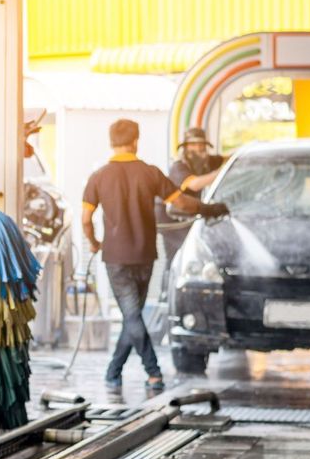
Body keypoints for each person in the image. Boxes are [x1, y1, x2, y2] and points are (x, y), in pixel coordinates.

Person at [82, 120, 229, 392]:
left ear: (111, 142)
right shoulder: (150, 173)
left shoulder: (98, 177)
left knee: (131, 316)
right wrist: (209, 209)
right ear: (136, 141)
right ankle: (121, 371)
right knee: (133, 315)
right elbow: (182, 202)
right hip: (145, 255)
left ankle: (148, 373)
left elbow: (86, 219)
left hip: (115, 258)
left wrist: (93, 243)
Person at [157, 127, 226, 259]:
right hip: (171, 219)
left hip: (188, 214)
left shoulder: (206, 161)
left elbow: (227, 158)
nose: (198, 148)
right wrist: (220, 173)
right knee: (182, 253)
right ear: (187, 148)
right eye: (193, 145)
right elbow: (194, 184)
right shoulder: (178, 166)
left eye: (201, 145)